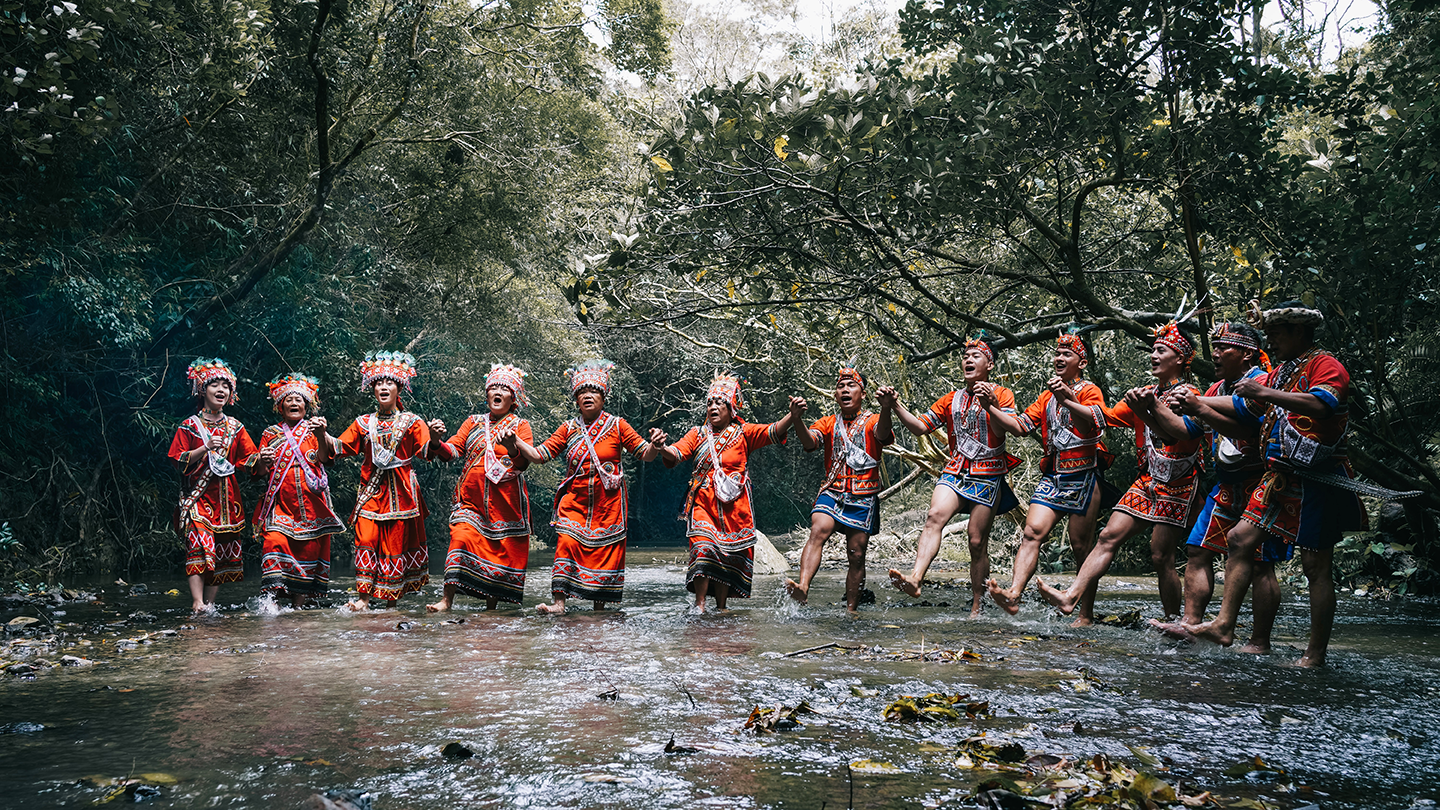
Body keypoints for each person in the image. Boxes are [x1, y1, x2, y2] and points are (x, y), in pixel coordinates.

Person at [1178, 301, 1366, 666]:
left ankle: (1315, 654)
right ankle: (1224, 625)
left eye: (1277, 335)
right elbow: (1244, 407)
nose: (1272, 342)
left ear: (1298, 332)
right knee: (1238, 540)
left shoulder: (1325, 365)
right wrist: (1199, 402)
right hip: (1280, 475)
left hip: (1317, 479)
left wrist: (1264, 394)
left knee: (1316, 566)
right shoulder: (1282, 371)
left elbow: (1322, 404)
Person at [1037, 322, 1206, 623]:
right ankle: (1071, 596)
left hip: (1179, 482)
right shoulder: (1148, 392)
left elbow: (1178, 436)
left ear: (1179, 358)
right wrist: (1069, 400)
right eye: (1153, 350)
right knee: (1108, 536)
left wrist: (1145, 409)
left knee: (1160, 556)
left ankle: (1173, 620)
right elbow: (1106, 417)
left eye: (1161, 350)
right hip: (1148, 479)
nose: (1153, 355)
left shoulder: (1189, 394)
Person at [1151, 322, 1286, 651]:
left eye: (1222, 347)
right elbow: (1184, 431)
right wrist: (1151, 409)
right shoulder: (1213, 390)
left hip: (1262, 484)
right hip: (1227, 484)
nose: (1215, 354)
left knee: (1260, 563)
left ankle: (1259, 641)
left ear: (1245, 353)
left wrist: (1198, 406)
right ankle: (1190, 624)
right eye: (1214, 347)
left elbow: (1246, 423)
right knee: (1198, 550)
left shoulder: (1261, 382)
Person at [502, 359, 664, 614]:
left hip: (608, 505)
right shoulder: (568, 428)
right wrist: (516, 443)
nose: (588, 396)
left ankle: (599, 606)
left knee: (604, 551)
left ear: (603, 397)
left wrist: (656, 445)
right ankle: (559, 603)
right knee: (566, 542)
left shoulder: (619, 425)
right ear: (576, 399)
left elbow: (646, 454)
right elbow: (539, 455)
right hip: (574, 503)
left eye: (594, 392)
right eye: (582, 393)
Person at [882, 338, 1021, 616]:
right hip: (956, 471)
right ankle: (916, 578)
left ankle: (977, 604)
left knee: (976, 541)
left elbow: (1012, 429)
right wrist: (894, 405)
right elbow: (921, 427)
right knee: (934, 517)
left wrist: (990, 404)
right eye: (965, 356)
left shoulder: (1003, 394)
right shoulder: (951, 399)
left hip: (988, 474)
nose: (968, 360)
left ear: (989, 364)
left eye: (975, 356)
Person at [983, 333, 1112, 620]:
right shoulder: (1045, 396)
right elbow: (1019, 427)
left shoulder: (1091, 391)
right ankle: (1014, 594)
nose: (1059, 358)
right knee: (1031, 533)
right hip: (1054, 475)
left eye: (1066, 354)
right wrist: (991, 406)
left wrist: (1066, 398)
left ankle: (1085, 614)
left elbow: (1090, 424)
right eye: (1057, 353)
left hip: (1085, 475)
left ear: (1082, 362)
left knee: (1081, 547)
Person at [660, 373, 801, 612]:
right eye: (710, 403)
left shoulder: (744, 432)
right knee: (703, 547)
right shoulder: (696, 434)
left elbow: (773, 431)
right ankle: (700, 604)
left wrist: (793, 415)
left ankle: (722, 607)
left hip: (735, 508)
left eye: (720, 403)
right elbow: (676, 454)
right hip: (703, 504)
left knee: (726, 555)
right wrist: (661, 447)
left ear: (731, 408)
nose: (713, 407)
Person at [784, 362, 894, 613]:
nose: (845, 389)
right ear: (835, 395)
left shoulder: (873, 420)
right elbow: (810, 443)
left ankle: (852, 609)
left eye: (851, 385)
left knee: (856, 554)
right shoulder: (828, 422)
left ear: (862, 394)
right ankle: (802, 587)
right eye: (840, 386)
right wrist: (796, 420)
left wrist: (886, 408)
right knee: (818, 530)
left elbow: (884, 434)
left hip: (863, 495)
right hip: (833, 491)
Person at [425, 364, 534, 612]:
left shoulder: (520, 426)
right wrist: (435, 440)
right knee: (460, 539)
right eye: (493, 387)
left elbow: (523, 463)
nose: (497, 392)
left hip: (506, 506)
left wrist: (512, 447)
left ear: (513, 398)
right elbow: (451, 451)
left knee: (496, 553)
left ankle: (491, 608)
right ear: (486, 395)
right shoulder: (473, 422)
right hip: (469, 503)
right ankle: (446, 600)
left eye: (504, 389)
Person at [333, 351, 432, 611]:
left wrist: (437, 437)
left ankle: (390, 603)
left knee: (394, 545)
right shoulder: (364, 423)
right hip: (372, 493)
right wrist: (321, 434)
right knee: (365, 539)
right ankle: (364, 600)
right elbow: (339, 447)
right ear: (373, 389)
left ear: (399, 388)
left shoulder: (413, 422)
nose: (383, 387)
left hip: (401, 496)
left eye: (389, 383)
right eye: (378, 383)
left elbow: (428, 451)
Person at [169, 358, 257, 613]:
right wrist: (204, 448)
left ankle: (209, 604)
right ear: (201, 390)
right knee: (197, 544)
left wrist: (262, 459)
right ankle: (197, 601)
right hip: (197, 497)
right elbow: (178, 460)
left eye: (226, 386)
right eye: (215, 385)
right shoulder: (189, 426)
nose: (221, 390)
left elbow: (247, 460)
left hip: (227, 501)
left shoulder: (235, 427)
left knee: (221, 551)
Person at [252, 373, 343, 608]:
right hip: (280, 502)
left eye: (299, 399)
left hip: (311, 505)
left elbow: (324, 458)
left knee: (306, 551)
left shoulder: (314, 431)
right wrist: (263, 459)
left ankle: (298, 607)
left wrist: (322, 434)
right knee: (273, 542)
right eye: (289, 399)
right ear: (280, 406)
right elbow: (260, 471)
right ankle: (270, 603)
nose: (294, 403)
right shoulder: (270, 434)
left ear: (307, 405)